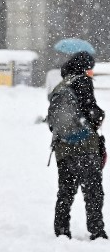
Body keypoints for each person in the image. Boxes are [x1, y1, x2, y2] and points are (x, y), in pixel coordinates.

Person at [48, 51, 106, 240]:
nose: (90, 72)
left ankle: (61, 229)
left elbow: (52, 123)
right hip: (85, 147)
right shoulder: (82, 82)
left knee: (66, 191)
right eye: (90, 68)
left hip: (62, 149)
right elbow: (92, 112)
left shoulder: (60, 86)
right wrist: (100, 116)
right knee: (93, 191)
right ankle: (97, 231)